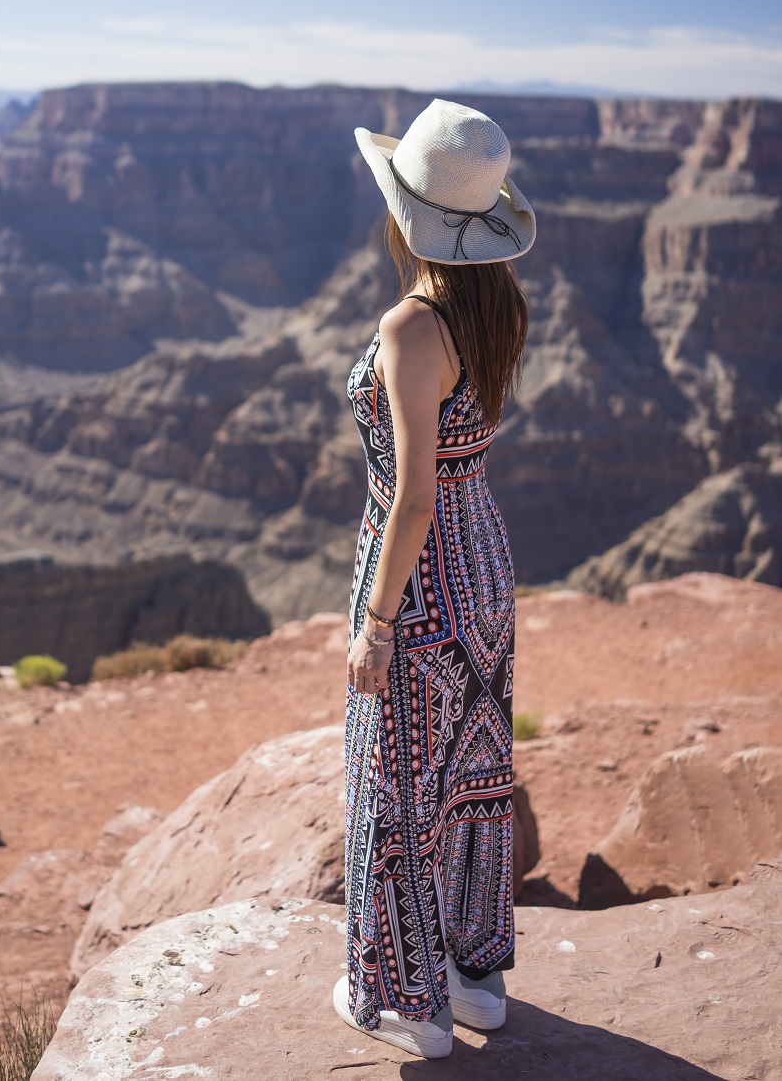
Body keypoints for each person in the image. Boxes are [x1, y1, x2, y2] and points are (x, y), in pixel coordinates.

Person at [332, 98, 535, 1060]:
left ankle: (410, 1002)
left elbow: (412, 495)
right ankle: (475, 976)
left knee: (399, 772)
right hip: (483, 556)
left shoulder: (413, 325)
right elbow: (454, 464)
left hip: (419, 571)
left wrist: (375, 620)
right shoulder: (498, 303)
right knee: (472, 767)